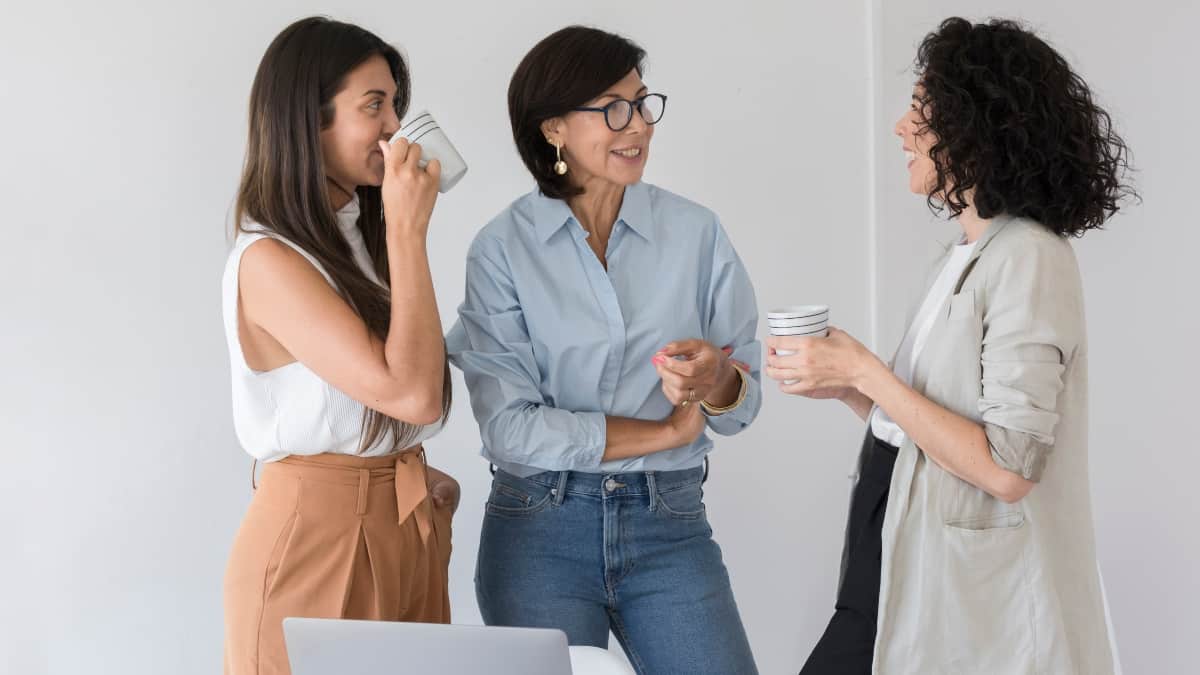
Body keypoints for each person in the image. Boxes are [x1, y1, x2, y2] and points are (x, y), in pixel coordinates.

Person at [768, 17, 1136, 675]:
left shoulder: (1029, 258)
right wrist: (852, 388)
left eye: (920, 112)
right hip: (892, 570)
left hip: (967, 596)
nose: (900, 130)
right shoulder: (968, 254)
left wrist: (868, 371)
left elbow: (1009, 465)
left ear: (977, 128)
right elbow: (931, 430)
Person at [447, 25, 761, 675]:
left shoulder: (696, 233)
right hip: (539, 529)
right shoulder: (503, 249)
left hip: (670, 521)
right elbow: (510, 428)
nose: (638, 125)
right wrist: (667, 430)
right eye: (614, 109)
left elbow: (742, 392)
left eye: (644, 104)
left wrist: (718, 380)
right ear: (554, 128)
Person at [220, 17, 459, 674]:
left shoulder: (362, 239)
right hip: (316, 539)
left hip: (402, 522)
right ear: (309, 119)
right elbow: (410, 392)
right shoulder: (269, 258)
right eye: (374, 105)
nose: (397, 128)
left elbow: (415, 394)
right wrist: (411, 234)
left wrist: (402, 476)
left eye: (397, 104)